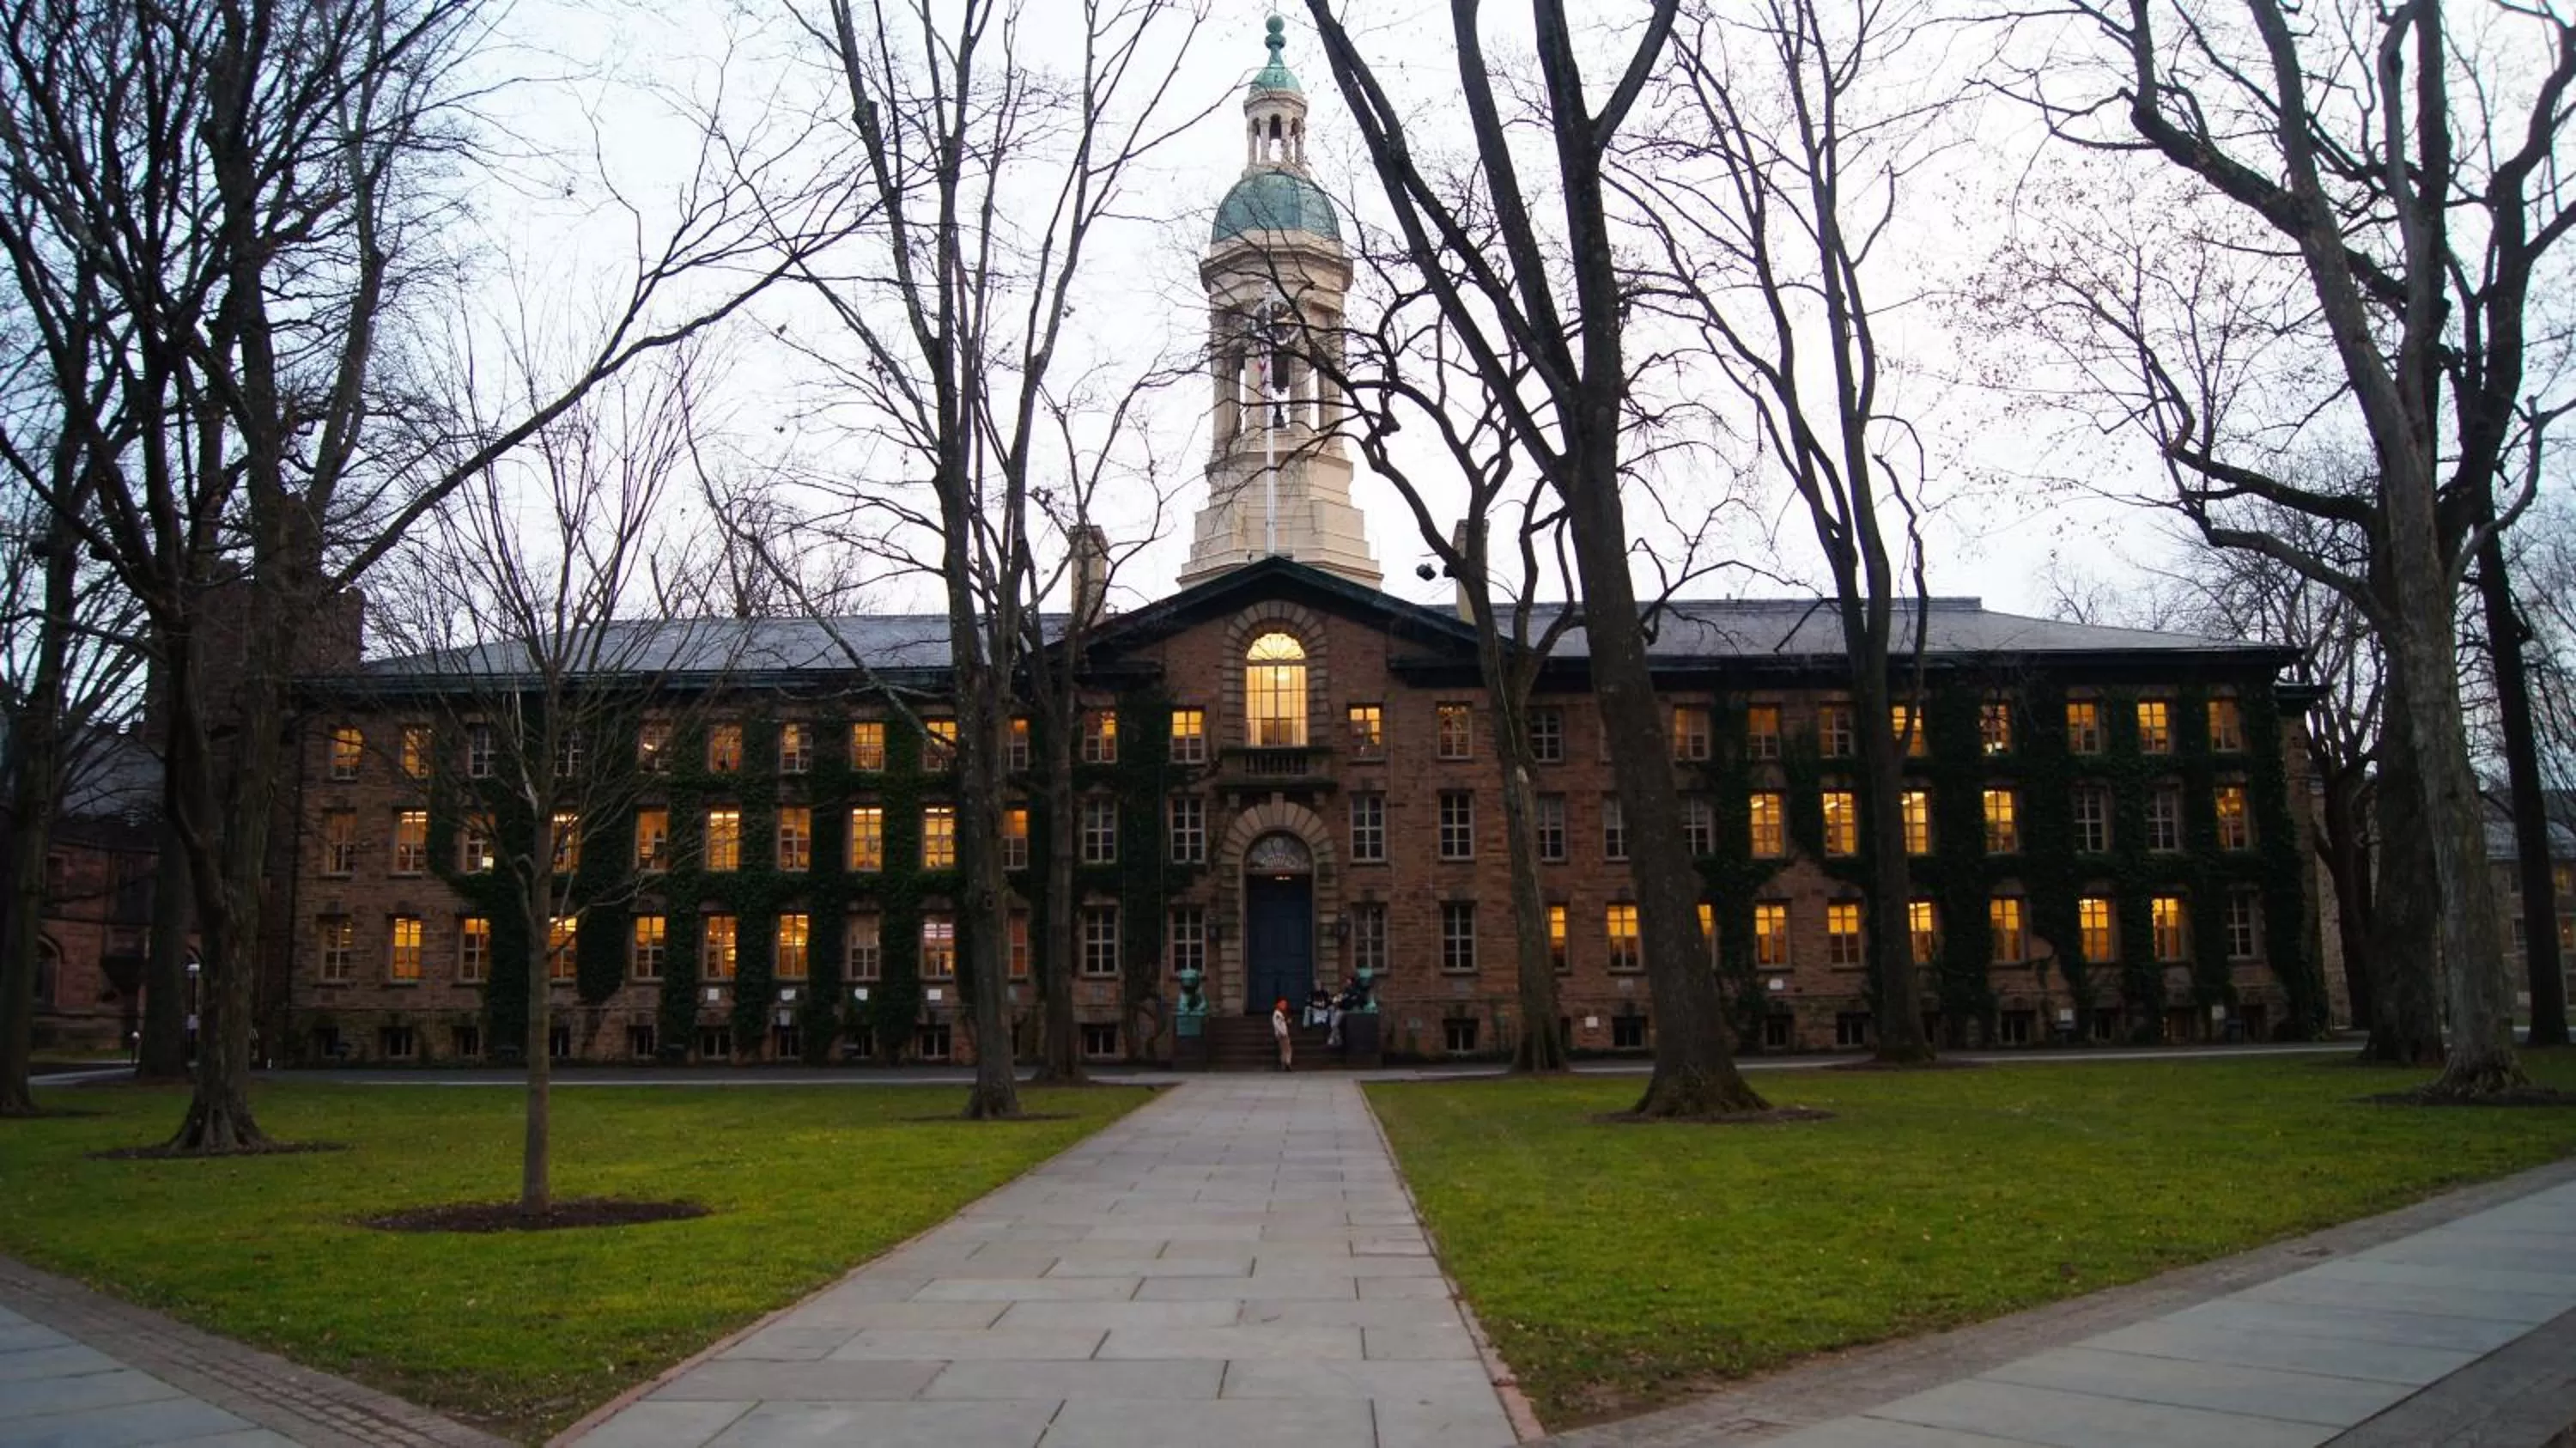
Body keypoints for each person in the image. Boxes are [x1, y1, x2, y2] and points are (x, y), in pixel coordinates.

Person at [1272, 997, 1293, 1071]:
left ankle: (1284, 1064)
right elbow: (1277, 1025)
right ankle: (1287, 1063)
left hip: (1282, 1033)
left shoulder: (1281, 1013)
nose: (1285, 1005)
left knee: (1284, 1049)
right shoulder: (1277, 1013)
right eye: (1283, 1004)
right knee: (1287, 1049)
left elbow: (1283, 1022)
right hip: (1282, 1034)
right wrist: (1283, 1033)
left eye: (1285, 1004)